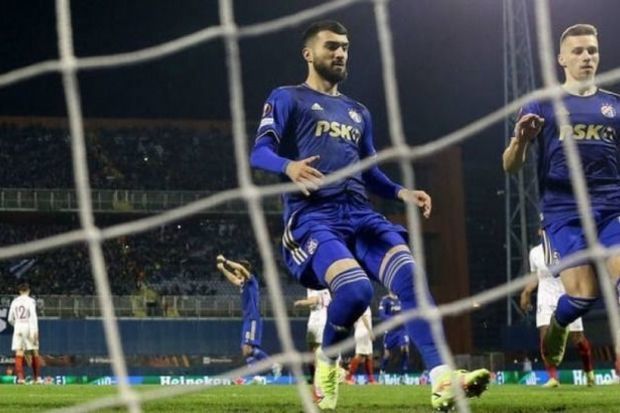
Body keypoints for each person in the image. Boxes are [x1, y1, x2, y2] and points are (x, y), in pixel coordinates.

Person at [250, 19, 490, 410]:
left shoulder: (358, 112)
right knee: (357, 292)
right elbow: (259, 152)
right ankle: (327, 361)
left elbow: (370, 172)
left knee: (410, 276)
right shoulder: (287, 98)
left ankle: (442, 378)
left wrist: (401, 192)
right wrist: (288, 166)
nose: (340, 53)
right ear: (308, 53)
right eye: (331, 46)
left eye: (345, 47)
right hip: (314, 217)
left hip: (361, 215)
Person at [503, 23, 620, 369]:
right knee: (582, 297)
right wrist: (521, 141)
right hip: (563, 212)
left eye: (592, 51)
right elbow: (510, 166)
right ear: (562, 59)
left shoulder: (614, 106)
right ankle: (558, 324)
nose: (586, 57)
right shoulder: (542, 104)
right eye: (578, 51)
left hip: (612, 208)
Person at [520, 236, 595, 387]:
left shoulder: (565, 245)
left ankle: (589, 373)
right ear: (540, 232)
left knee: (578, 338)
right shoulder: (535, 253)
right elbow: (535, 277)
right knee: (546, 337)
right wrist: (526, 292)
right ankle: (553, 378)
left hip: (567, 293)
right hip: (546, 297)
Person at [216, 255, 281, 377]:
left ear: (242, 270)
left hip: (253, 318)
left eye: (236, 270)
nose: (235, 272)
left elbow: (240, 268)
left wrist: (225, 261)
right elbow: (233, 279)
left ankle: (273, 365)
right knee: (246, 350)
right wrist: (223, 269)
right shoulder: (243, 283)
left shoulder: (251, 280)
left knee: (247, 348)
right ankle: (256, 377)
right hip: (248, 318)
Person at [294, 288, 332, 383]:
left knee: (314, 352)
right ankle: (317, 377)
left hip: (317, 321)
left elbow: (314, 300)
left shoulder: (313, 285)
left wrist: (300, 303)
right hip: (324, 319)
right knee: (316, 351)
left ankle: (317, 377)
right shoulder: (325, 287)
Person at [8, 283, 42, 384]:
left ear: (19, 291)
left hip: (18, 327)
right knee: (34, 351)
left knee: (19, 352)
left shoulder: (14, 301)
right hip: (29, 327)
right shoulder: (31, 301)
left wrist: (17, 325)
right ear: (28, 291)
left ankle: (21, 378)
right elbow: (33, 316)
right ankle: (37, 378)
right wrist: (35, 331)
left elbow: (10, 319)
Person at [378, 292, 411, 377]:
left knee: (405, 348)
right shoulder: (385, 300)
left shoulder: (401, 299)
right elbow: (382, 315)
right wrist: (394, 319)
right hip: (390, 330)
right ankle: (382, 371)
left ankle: (403, 373)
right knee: (387, 354)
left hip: (402, 329)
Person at [345, 306, 376, 384]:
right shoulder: (363, 304)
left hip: (362, 331)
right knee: (359, 355)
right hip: (363, 332)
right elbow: (364, 318)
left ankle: (371, 380)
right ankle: (348, 378)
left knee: (369, 355)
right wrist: (370, 331)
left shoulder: (363, 305)